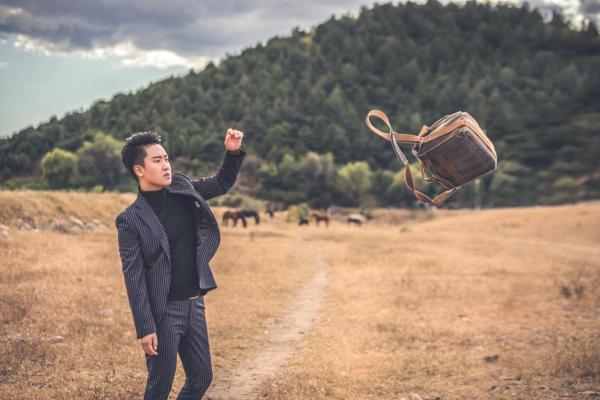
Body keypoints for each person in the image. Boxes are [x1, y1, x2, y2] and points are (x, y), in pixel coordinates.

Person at [115, 128, 245, 399]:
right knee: (159, 387)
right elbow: (134, 277)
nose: (166, 165)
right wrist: (145, 326)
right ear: (139, 170)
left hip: (194, 303)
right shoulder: (130, 219)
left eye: (166, 158)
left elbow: (221, 183)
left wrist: (232, 152)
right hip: (163, 313)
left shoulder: (183, 188)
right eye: (157, 161)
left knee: (201, 378)